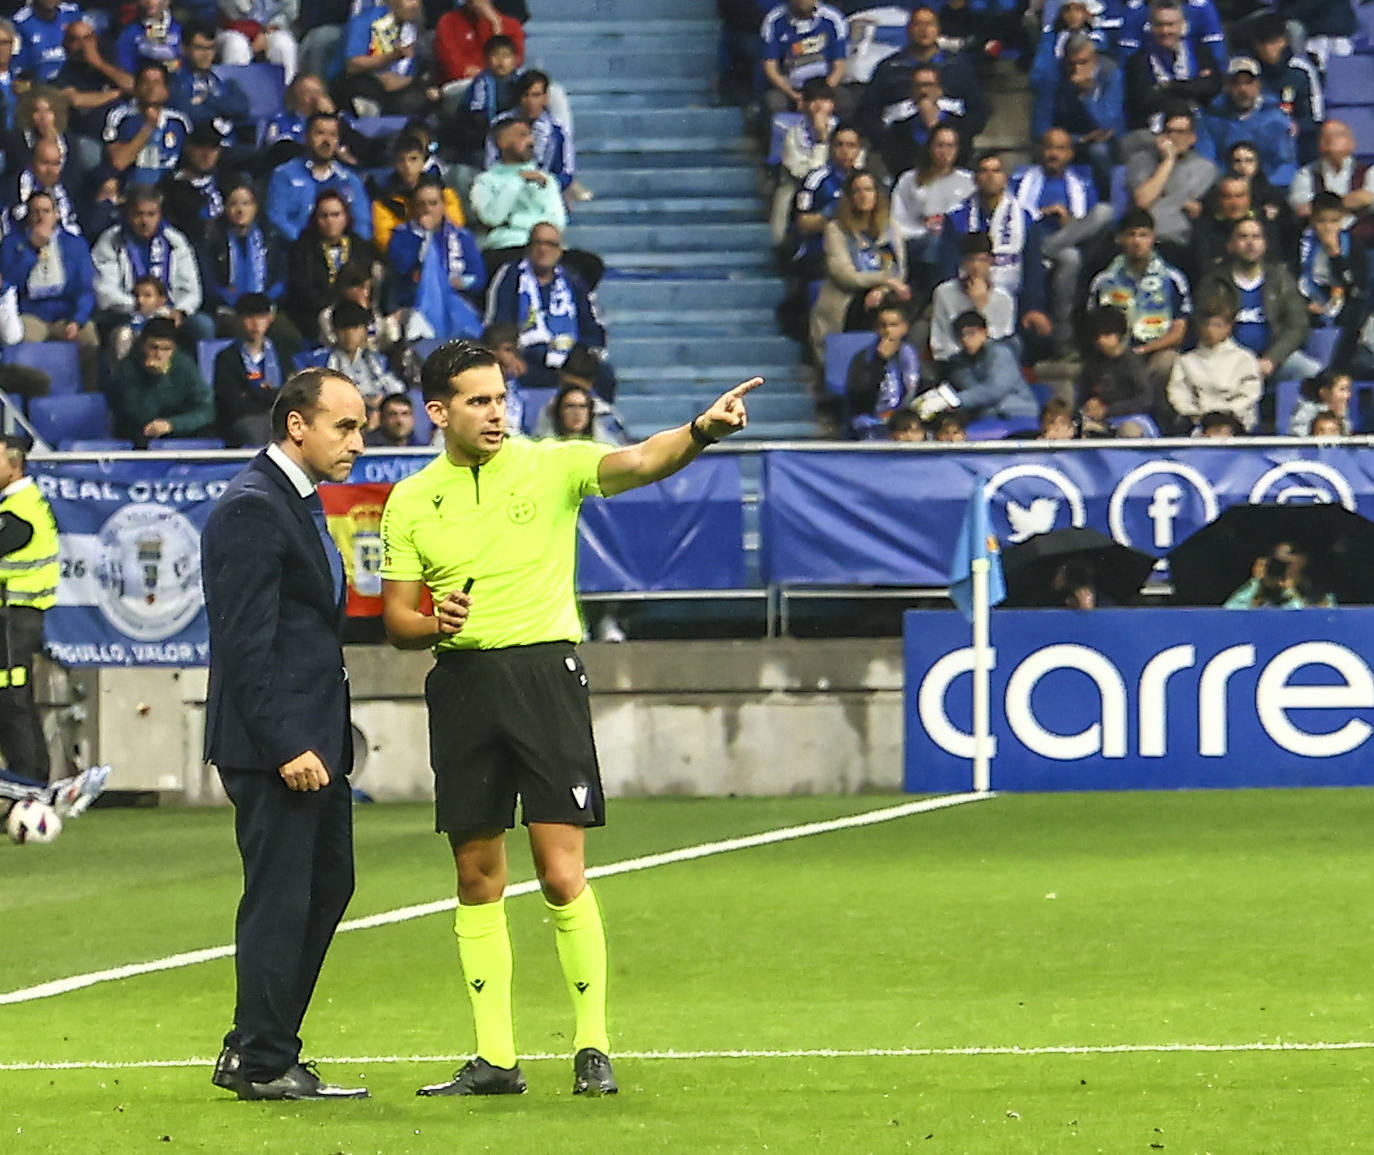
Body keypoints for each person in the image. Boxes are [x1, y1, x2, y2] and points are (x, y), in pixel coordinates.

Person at [378, 339, 762, 1098]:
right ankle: (496, 1058)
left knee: (560, 873)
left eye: (500, 398)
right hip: (463, 681)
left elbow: (642, 461)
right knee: (475, 874)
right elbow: (394, 617)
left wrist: (703, 429)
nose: (496, 413)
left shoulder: (550, 464)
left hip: (545, 678)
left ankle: (593, 1045)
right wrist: (434, 622)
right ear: (438, 411)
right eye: (478, 401)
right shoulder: (411, 499)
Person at [201, 367, 370, 1102]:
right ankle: (265, 1058)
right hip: (279, 748)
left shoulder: (293, 503)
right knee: (282, 895)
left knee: (328, 883)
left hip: (314, 741)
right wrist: (283, 745)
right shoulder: (252, 508)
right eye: (346, 425)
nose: (358, 442)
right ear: (296, 425)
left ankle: (257, 1045)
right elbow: (245, 646)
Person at [1011, 127, 1116, 356]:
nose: (1053, 154)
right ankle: (1062, 342)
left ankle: (1062, 340)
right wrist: (1041, 212)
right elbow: (1010, 215)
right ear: (1040, 150)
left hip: (1069, 243)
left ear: (1070, 153)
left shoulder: (1083, 183)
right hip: (1030, 243)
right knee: (1070, 257)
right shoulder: (1021, 179)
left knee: (1103, 215)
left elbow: (1088, 226)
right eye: (1049, 147)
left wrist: (1071, 223)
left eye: (1060, 148)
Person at [484, 221, 613, 397]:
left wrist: (585, 358)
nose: (544, 249)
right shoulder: (511, 275)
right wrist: (505, 352)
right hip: (526, 356)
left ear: (560, 251)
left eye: (550, 244)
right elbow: (497, 323)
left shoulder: (573, 280)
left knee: (604, 375)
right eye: (538, 243)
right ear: (528, 247)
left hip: (569, 359)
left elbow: (592, 327)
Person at [0, 434, 58, 784]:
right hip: (17, 617)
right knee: (16, 700)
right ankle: (35, 781)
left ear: (15, 464)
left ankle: (27, 786)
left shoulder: (19, 512)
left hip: (14, 617)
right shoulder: (22, 505)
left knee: (11, 703)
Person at [1086, 206, 1192, 396]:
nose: (1137, 241)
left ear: (1153, 238)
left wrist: (1145, 350)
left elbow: (1179, 330)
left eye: (1143, 235)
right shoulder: (1104, 281)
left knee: (1169, 361)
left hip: (1154, 353)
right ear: (1120, 239)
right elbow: (1093, 327)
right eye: (1131, 235)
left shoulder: (1173, 278)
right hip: (1113, 358)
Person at [1196, 216, 1314, 385]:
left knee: (1311, 372)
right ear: (1231, 244)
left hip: (1272, 360)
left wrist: (1272, 358)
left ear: (1265, 244)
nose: (1250, 243)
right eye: (1243, 237)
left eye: (1256, 237)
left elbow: (1297, 325)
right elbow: (1204, 325)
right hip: (1225, 360)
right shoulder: (1214, 281)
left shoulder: (1281, 278)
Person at [0, 189, 99, 387]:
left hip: (66, 314)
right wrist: (31, 249)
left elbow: (86, 288)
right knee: (24, 341)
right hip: (30, 314)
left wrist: (77, 320)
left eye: (46, 211)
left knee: (89, 337)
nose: (40, 217)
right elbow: (9, 283)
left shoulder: (75, 244)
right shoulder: (12, 243)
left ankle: (90, 395)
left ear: (57, 214)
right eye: (35, 211)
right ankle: (30, 402)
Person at [811, 169, 909, 367]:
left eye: (868, 190)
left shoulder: (890, 226)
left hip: (883, 295)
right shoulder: (836, 229)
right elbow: (846, 276)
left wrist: (882, 289)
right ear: (848, 197)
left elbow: (899, 269)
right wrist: (885, 280)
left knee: (896, 305)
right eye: (857, 191)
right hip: (846, 299)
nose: (863, 195)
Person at [91, 182, 210, 345]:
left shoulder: (175, 240)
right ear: (127, 215)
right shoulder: (111, 240)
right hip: (126, 312)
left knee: (203, 326)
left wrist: (180, 311)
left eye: (151, 214)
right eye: (138, 214)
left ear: (160, 215)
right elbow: (105, 291)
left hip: (169, 312)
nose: (144, 221)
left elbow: (191, 289)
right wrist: (139, 305)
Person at [386, 176, 485, 341]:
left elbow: (478, 279)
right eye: (421, 204)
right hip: (414, 304)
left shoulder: (463, 236)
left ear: (443, 206)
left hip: (456, 304)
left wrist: (457, 283)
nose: (427, 210)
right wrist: (425, 237)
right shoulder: (401, 235)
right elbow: (401, 266)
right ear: (414, 208)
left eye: (433, 203)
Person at [469, 116, 567, 269]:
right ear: (502, 142)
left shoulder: (545, 179)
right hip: (505, 249)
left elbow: (557, 222)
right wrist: (518, 180)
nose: (531, 141)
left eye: (530, 135)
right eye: (522, 135)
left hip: (544, 248)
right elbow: (492, 218)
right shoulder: (485, 181)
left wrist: (513, 221)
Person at [284, 189, 377, 343]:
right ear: (315, 219)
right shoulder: (303, 248)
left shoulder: (360, 246)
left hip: (357, 311)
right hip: (316, 315)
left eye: (335, 215)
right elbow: (303, 292)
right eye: (324, 216)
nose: (330, 221)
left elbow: (367, 282)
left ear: (346, 218)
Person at [915, 309, 1039, 424]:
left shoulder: (1001, 353)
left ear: (985, 332)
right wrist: (939, 397)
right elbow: (969, 387)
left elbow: (994, 390)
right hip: (986, 417)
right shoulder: (957, 363)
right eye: (960, 336)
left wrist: (953, 400)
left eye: (971, 333)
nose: (965, 340)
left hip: (1019, 412)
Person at [1164, 289, 1263, 433]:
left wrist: (1226, 413)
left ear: (1228, 327)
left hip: (1236, 421)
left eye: (1217, 325)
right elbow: (1178, 392)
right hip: (1197, 420)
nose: (1210, 330)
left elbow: (1250, 393)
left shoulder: (1245, 358)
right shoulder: (1186, 360)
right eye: (1207, 324)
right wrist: (1194, 413)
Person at [266, 110, 372, 242]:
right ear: (306, 137)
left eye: (333, 135)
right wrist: (309, 245)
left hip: (342, 255)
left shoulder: (351, 180)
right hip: (296, 253)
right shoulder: (284, 175)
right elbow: (277, 218)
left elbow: (362, 225)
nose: (326, 141)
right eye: (320, 133)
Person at [108, 315, 216, 444]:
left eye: (166, 349)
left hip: (176, 431)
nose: (159, 355)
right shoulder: (127, 369)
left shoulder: (184, 365)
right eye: (154, 347)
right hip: (138, 435)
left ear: (174, 348)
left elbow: (207, 409)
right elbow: (137, 415)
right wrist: (155, 378)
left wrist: (172, 425)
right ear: (143, 345)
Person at [1125, 106, 1217, 255]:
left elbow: (1194, 209)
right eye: (1169, 131)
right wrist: (1168, 161)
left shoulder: (1205, 168)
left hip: (1177, 240)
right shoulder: (1141, 160)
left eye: (1180, 132)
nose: (1173, 137)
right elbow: (1142, 201)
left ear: (1192, 138)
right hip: (1139, 239)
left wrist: (1164, 195)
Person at [1198, 57, 1297, 190]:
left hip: (1269, 189)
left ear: (1258, 85)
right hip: (1226, 190)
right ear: (1227, 86)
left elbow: (1286, 163)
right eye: (1236, 83)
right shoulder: (1211, 118)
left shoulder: (1278, 119)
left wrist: (1265, 189)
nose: (1242, 89)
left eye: (1248, 82)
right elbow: (1206, 160)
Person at [214, 292, 298, 446]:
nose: (255, 323)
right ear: (238, 319)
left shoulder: (282, 353)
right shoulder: (227, 357)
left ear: (270, 318)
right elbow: (232, 403)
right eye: (249, 317)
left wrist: (252, 393)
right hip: (245, 421)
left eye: (261, 317)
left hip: (279, 418)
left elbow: (291, 394)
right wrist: (272, 395)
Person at [770, 77, 836, 246]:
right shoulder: (792, 135)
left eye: (825, 99)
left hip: (836, 189)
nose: (819, 105)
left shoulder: (845, 132)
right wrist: (821, 141)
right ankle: (783, 245)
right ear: (803, 104)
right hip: (801, 190)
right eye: (813, 100)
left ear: (833, 105)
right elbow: (803, 173)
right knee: (786, 193)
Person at [103, 61, 190, 188]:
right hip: (130, 190)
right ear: (136, 88)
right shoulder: (121, 116)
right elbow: (119, 162)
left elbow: (187, 163)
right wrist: (148, 127)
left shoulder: (179, 121)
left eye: (157, 82)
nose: (151, 88)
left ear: (166, 90)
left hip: (169, 192)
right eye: (145, 82)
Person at [844, 297, 920, 438]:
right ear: (876, 329)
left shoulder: (912, 355)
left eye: (893, 325)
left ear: (905, 327)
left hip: (908, 420)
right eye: (883, 325)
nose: (887, 330)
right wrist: (880, 361)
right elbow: (859, 398)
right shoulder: (863, 357)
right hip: (873, 422)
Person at [759, 0, 847, 117]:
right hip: (790, 88)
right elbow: (770, 66)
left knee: (846, 102)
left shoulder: (833, 19)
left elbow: (840, 65)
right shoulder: (773, 21)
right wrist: (794, 95)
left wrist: (820, 96)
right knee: (774, 102)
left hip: (824, 86)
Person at [1075, 306, 1154, 437]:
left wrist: (1109, 410)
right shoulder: (1092, 364)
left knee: (1129, 431)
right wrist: (1090, 404)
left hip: (1132, 419)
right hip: (1102, 422)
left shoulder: (1132, 362)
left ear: (1118, 334)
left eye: (1106, 334)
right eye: (1097, 336)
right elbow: (1083, 397)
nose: (1101, 341)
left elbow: (1145, 400)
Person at [325, 301, 404, 424]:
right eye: (344, 329)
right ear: (334, 331)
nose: (349, 334)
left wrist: (381, 403)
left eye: (355, 328)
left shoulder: (378, 360)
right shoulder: (320, 360)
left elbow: (397, 390)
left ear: (365, 331)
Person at [1224, 542, 1333, 609]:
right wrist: (1255, 582)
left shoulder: (1320, 596)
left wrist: (1290, 593)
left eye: (1286, 563)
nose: (1281, 569)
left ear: (1304, 560)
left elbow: (1303, 623)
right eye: (1277, 563)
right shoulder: (1256, 595)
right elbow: (1230, 612)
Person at [217, 0, 299, 83]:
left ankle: (286, 90)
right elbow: (227, 12)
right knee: (237, 46)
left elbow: (288, 12)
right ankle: (234, 91)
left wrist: (266, 30)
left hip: (269, 29)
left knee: (283, 43)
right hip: (231, 30)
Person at [1287, 370, 1353, 437]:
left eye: (1348, 390)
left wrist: (1340, 417)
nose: (1347, 395)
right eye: (1342, 390)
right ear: (1324, 392)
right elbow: (1297, 433)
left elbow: (1346, 435)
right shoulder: (1308, 409)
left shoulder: (1342, 409)